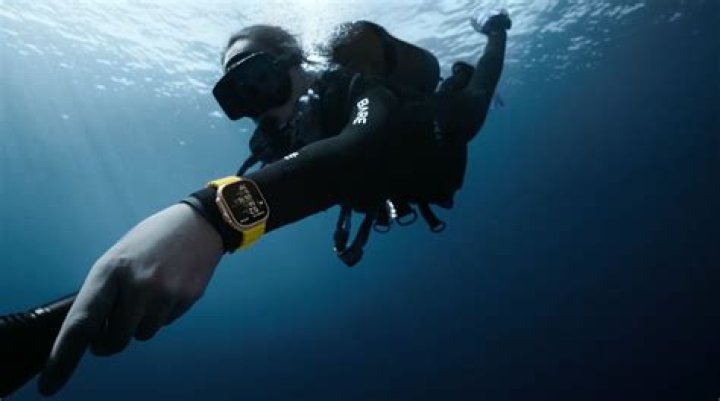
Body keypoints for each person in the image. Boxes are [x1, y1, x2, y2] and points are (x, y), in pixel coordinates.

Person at [35, 10, 511, 396]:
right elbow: (286, 184)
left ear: (294, 61)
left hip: (430, 143)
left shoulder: (356, 88)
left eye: (257, 78)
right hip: (384, 190)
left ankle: (494, 33)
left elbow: (358, 147)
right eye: (238, 96)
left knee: (472, 106)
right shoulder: (277, 141)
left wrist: (210, 216)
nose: (257, 104)